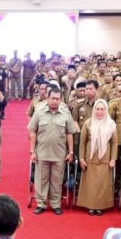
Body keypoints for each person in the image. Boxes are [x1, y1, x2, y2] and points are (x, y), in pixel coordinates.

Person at [28, 87, 76, 215]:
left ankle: (55, 203)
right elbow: (33, 131)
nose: (55, 101)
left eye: (57, 99)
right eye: (52, 98)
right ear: (48, 99)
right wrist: (32, 151)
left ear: (61, 100)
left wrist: (70, 152)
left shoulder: (66, 113)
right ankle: (41, 204)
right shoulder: (39, 111)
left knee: (57, 180)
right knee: (41, 179)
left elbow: (69, 133)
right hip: (41, 152)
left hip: (59, 153)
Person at [77, 99, 118, 215]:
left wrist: (113, 159)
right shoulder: (88, 123)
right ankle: (90, 206)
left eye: (102, 109)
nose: (99, 112)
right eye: (97, 109)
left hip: (105, 160)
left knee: (102, 185)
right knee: (90, 185)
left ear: (106, 111)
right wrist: (81, 158)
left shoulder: (111, 124)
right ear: (94, 110)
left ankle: (101, 206)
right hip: (90, 160)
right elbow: (83, 142)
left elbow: (114, 143)